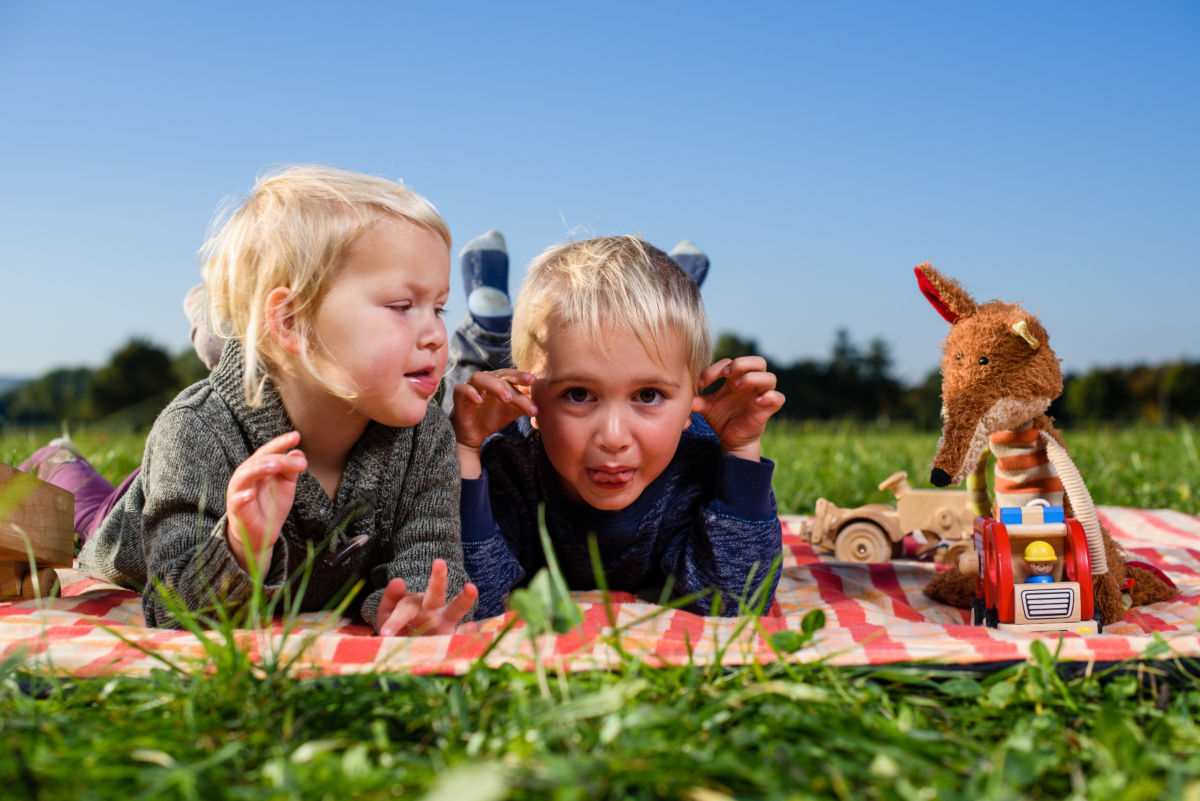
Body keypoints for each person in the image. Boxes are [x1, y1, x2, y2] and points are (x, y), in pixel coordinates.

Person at [28, 165, 477, 636]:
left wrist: (415, 600)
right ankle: (59, 461)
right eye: (403, 306)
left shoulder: (425, 433)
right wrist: (241, 548)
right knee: (88, 509)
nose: (436, 335)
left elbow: (429, 550)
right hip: (138, 526)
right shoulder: (194, 430)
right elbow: (174, 607)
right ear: (291, 321)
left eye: (439, 307)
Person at [449, 234, 785, 619]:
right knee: (469, 386)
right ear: (532, 400)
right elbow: (466, 601)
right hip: (504, 402)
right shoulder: (507, 461)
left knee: (662, 326)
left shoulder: (701, 462)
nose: (612, 438)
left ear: (695, 397)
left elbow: (735, 602)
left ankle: (676, 280)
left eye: (647, 395)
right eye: (578, 394)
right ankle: (486, 319)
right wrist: (466, 449)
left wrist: (742, 450)